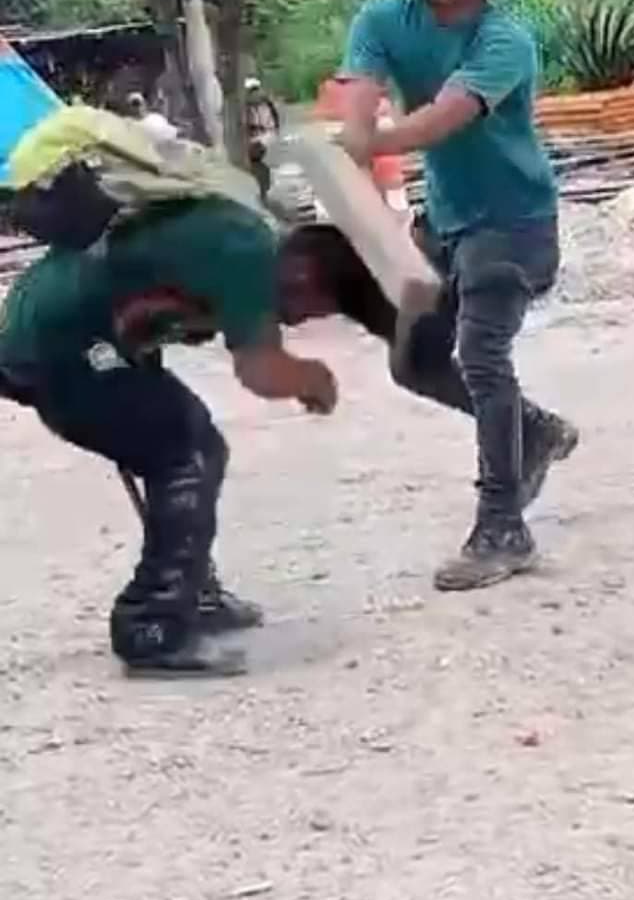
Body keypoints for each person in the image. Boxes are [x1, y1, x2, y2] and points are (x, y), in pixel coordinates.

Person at [0, 197, 384, 676]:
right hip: (59, 344)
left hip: (62, 326)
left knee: (186, 441)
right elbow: (260, 370)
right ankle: (151, 625)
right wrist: (313, 380)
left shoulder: (246, 238)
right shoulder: (249, 253)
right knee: (185, 453)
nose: (303, 322)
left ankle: (191, 594)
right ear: (305, 273)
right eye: (317, 309)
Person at [340, 0, 578, 592]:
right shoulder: (384, 18)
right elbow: (359, 87)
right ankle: (530, 432)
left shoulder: (506, 40)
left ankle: (504, 527)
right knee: (413, 361)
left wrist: (374, 142)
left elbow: (444, 119)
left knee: (479, 353)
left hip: (513, 223)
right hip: (445, 221)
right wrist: (355, 135)